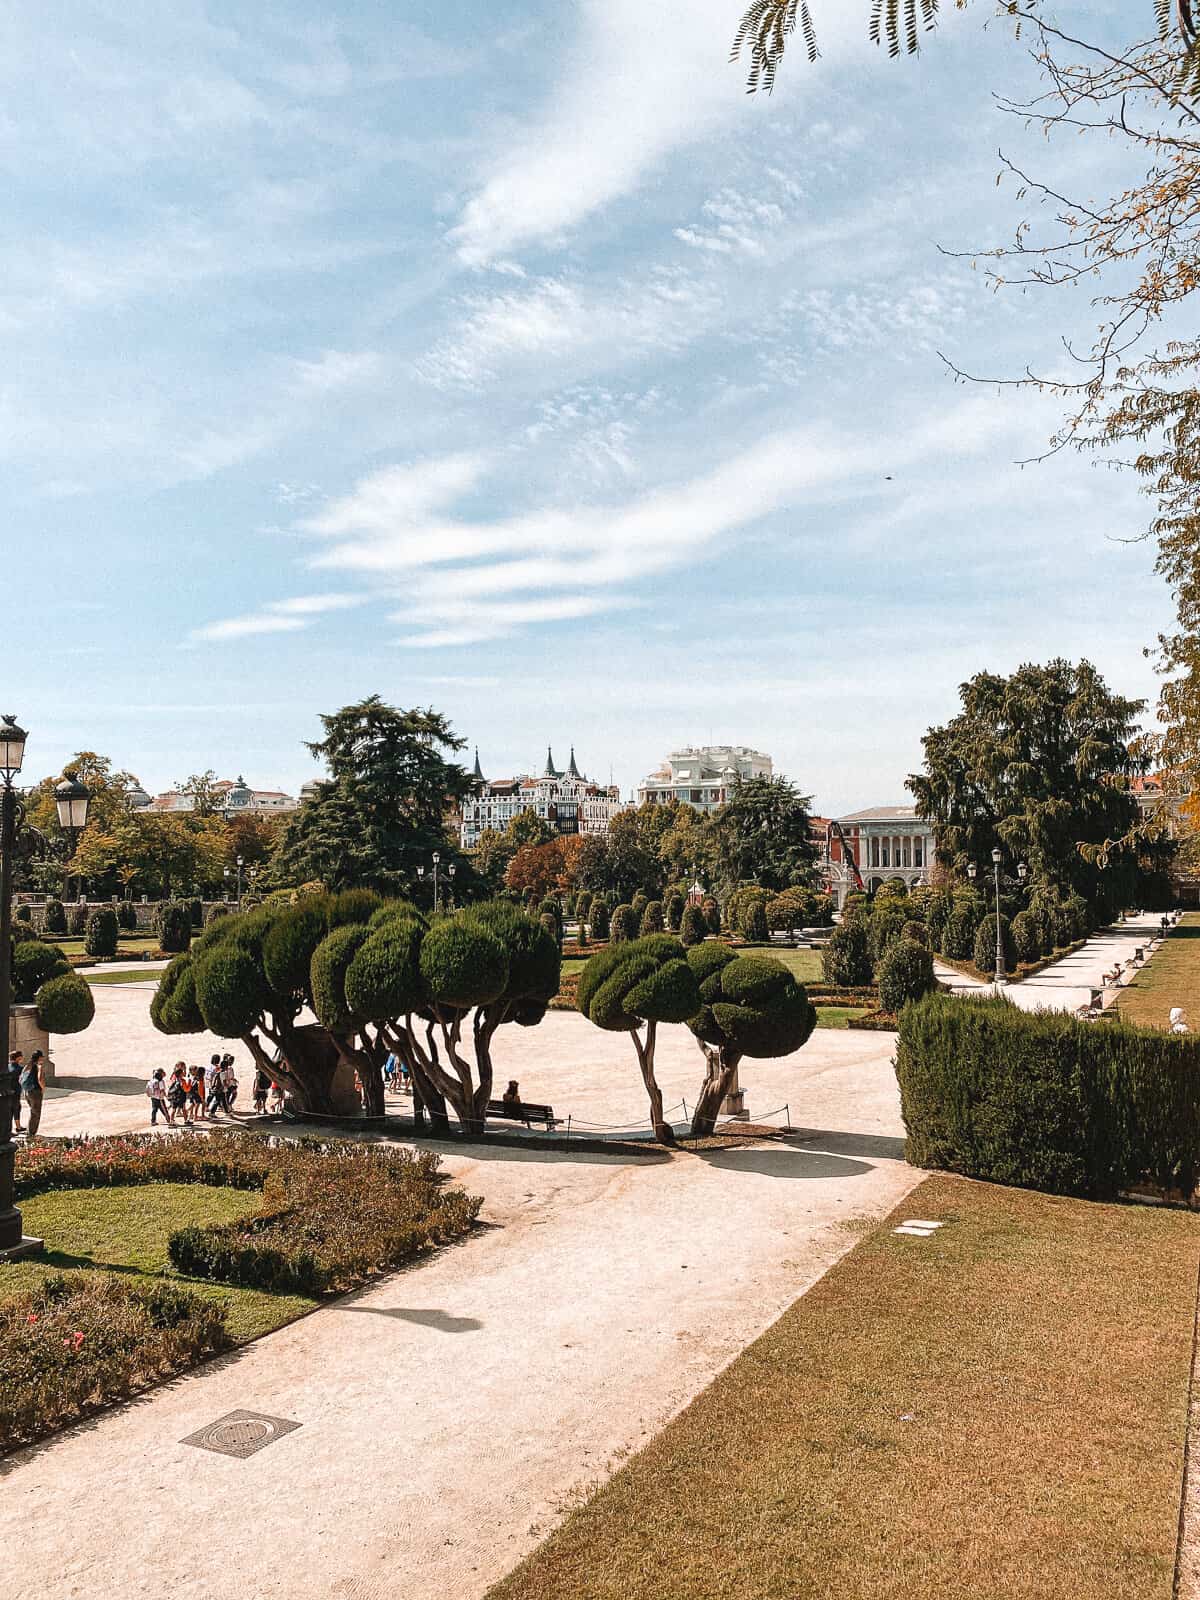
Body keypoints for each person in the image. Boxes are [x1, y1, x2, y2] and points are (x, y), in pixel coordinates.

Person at [20, 1049, 45, 1139]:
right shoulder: (39, 1066)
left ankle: (29, 1130)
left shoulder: (27, 1065)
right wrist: (43, 1088)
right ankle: (31, 1133)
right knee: (36, 1113)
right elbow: (40, 1079)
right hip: (35, 1092)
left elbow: (21, 1078)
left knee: (32, 1111)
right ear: (40, 1058)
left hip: (27, 1092)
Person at [7, 1051, 25, 1135]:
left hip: (8, 1091)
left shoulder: (7, 1067)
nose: (22, 1058)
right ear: (18, 1058)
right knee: (15, 1108)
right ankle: (13, 1128)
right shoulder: (19, 1068)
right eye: (21, 1057)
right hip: (15, 1091)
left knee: (12, 1109)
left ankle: (16, 1127)